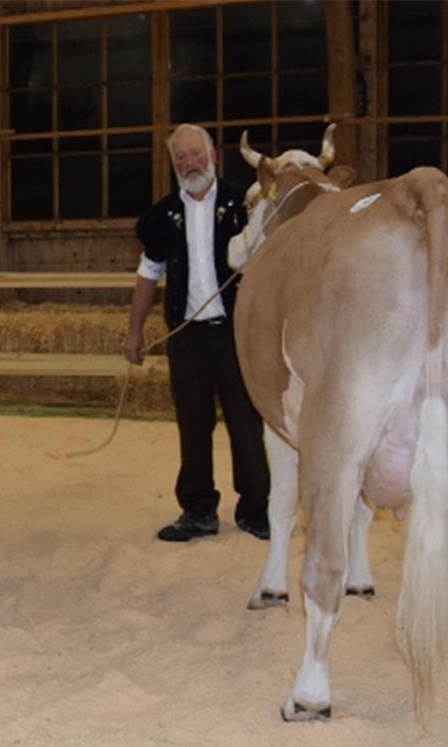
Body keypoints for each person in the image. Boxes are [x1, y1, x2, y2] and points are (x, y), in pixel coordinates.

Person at [122, 124, 270, 543]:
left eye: (195, 154)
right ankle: (198, 510)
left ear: (214, 156)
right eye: (180, 158)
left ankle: (256, 509)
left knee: (246, 424)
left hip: (237, 335)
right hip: (186, 338)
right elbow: (148, 273)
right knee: (192, 424)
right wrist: (134, 331)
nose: (189, 163)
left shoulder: (245, 204)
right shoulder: (162, 215)